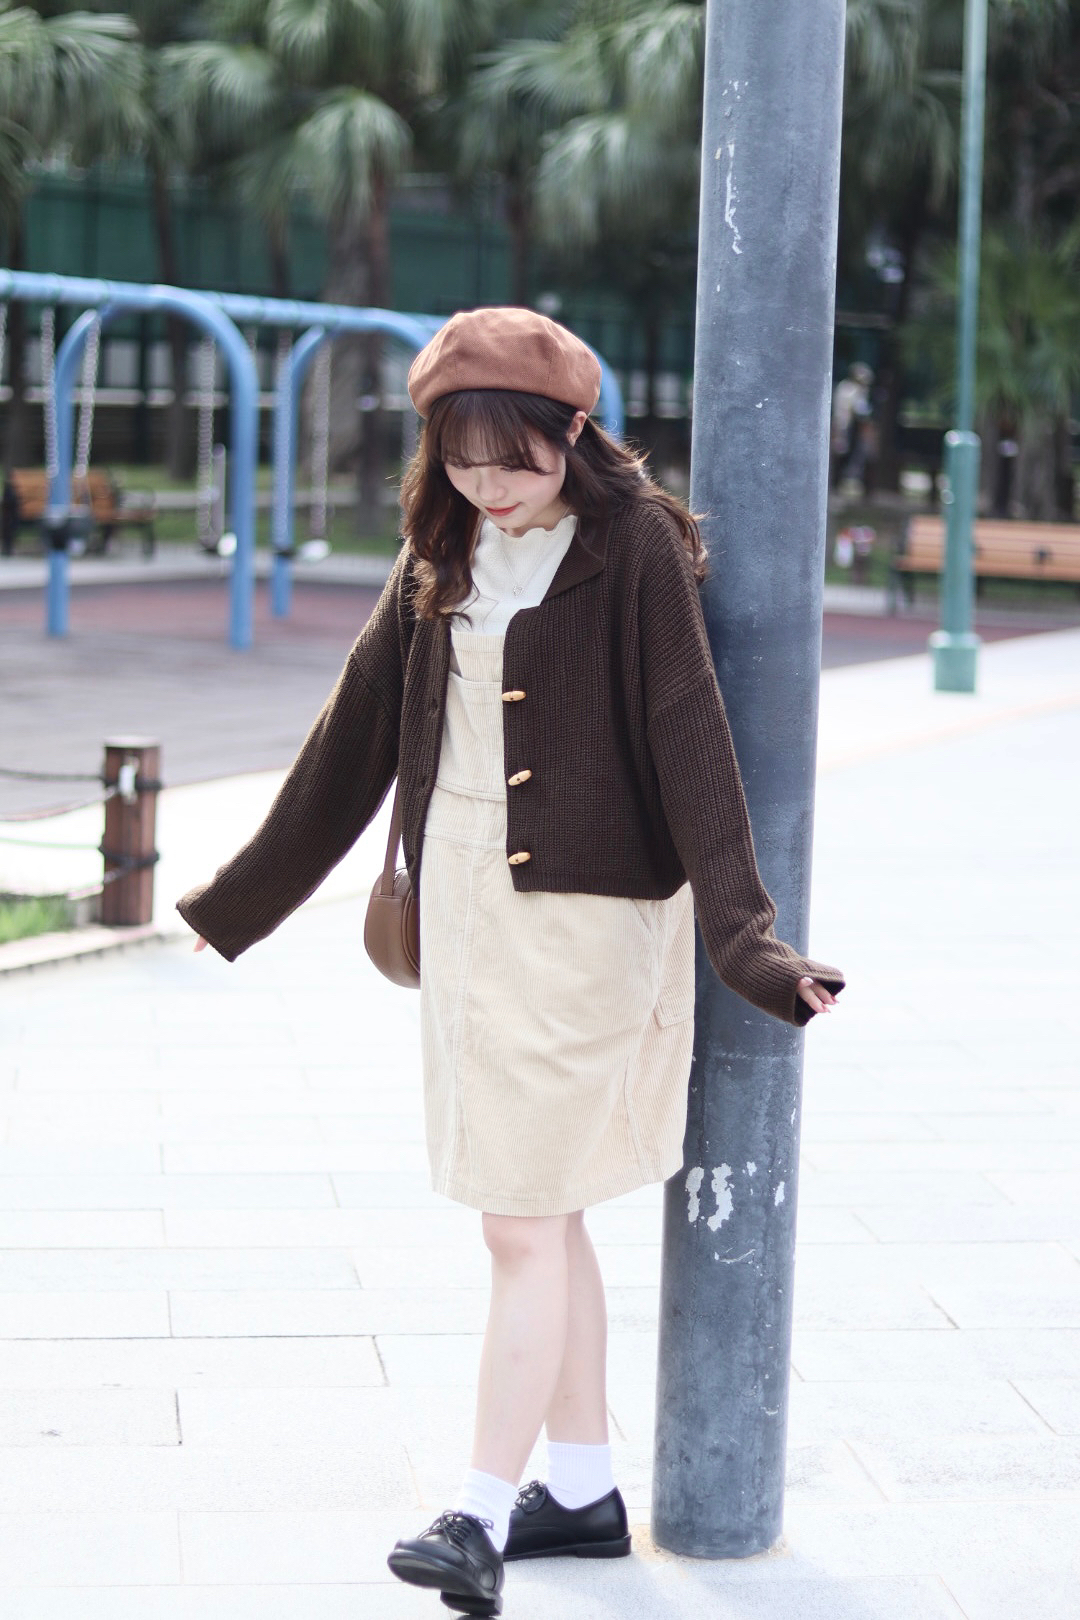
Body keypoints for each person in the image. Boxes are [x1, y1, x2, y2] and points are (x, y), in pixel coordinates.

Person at [177, 307, 844, 1619]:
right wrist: (243, 897)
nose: (489, 483)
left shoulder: (633, 545)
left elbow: (692, 739)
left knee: (519, 1221)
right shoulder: (443, 546)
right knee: (547, 1212)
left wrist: (748, 941)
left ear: (574, 432)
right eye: (463, 457)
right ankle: (581, 1493)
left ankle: (477, 1513)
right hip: (468, 911)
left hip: (590, 926)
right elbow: (357, 731)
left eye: (514, 458)